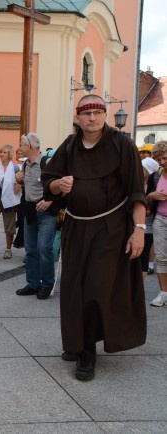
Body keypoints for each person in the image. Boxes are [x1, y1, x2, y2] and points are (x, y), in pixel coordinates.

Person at [42, 94, 147, 381]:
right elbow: (48, 179)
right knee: (74, 288)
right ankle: (76, 343)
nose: (93, 117)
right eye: (87, 113)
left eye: (98, 112)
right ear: (77, 116)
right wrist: (57, 184)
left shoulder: (121, 144)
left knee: (96, 287)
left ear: (105, 115)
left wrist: (139, 231)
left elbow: (137, 191)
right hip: (76, 227)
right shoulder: (70, 146)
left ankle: (88, 351)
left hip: (111, 229)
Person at [15, 132, 57, 300]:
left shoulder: (47, 163)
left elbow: (60, 187)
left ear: (29, 146)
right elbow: (29, 187)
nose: (19, 147)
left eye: (21, 144)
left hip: (45, 212)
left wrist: (50, 201)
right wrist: (19, 180)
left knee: (44, 249)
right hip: (30, 211)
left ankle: (47, 284)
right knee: (31, 250)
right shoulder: (25, 165)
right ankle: (33, 283)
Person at [146, 141, 167, 307]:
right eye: (159, 159)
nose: (162, 162)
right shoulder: (156, 176)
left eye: (165, 158)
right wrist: (151, 196)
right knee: (161, 257)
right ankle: (163, 294)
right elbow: (146, 200)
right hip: (160, 219)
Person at [140, 156, 160, 281]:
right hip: (130, 223)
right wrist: (147, 199)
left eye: (142, 168)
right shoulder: (132, 182)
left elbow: (156, 205)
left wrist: (150, 208)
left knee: (144, 254)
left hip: (148, 224)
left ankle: (140, 286)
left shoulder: (154, 185)